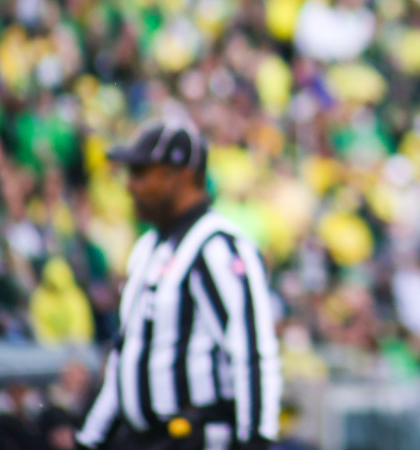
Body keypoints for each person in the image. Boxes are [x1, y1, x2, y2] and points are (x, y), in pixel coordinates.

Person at [76, 120, 282, 450]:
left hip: (193, 437)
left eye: (142, 173)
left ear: (182, 175)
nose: (130, 186)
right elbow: (128, 356)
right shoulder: (147, 248)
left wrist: (255, 441)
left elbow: (252, 351)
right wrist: (89, 438)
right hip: (143, 438)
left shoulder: (217, 246)